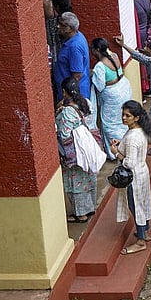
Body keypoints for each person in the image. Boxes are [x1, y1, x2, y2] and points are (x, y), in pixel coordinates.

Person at [110, 101, 151, 255]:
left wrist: (116, 152)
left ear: (136, 118)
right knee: (142, 203)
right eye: (123, 114)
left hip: (133, 177)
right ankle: (145, 232)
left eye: (127, 115)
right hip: (141, 172)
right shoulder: (139, 131)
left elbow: (129, 163)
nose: (124, 118)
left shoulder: (133, 137)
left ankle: (141, 241)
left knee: (135, 206)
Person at [55, 77, 99, 223]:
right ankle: (90, 206)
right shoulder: (87, 103)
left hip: (76, 153)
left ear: (64, 92)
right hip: (88, 148)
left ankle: (81, 214)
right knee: (89, 177)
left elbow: (64, 134)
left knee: (76, 182)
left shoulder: (67, 112)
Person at [90, 37, 132, 155]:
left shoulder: (100, 66)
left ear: (97, 50)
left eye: (92, 49)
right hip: (123, 87)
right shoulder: (114, 55)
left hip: (113, 95)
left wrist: (92, 76)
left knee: (110, 124)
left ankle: (117, 151)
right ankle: (126, 144)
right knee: (122, 118)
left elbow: (99, 86)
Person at [54, 12, 91, 102]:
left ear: (70, 28)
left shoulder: (74, 47)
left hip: (73, 95)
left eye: (62, 25)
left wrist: (68, 97)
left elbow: (77, 75)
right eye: (58, 23)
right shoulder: (77, 36)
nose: (58, 26)